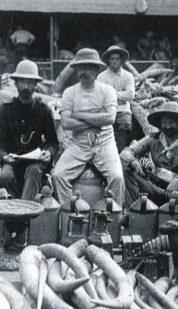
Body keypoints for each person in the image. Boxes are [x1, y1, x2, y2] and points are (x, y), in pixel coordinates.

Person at [52, 48, 125, 207]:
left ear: (97, 68)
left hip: (104, 143)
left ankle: (113, 220)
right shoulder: (69, 93)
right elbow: (66, 124)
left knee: (117, 178)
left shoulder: (107, 90)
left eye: (87, 67)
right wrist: (97, 119)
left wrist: (79, 115)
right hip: (79, 143)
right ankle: (70, 216)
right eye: (79, 67)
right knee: (58, 175)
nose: (82, 71)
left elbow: (110, 118)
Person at [0, 60, 59, 200]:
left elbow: (53, 142)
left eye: (30, 82)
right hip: (12, 159)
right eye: (23, 82)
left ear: (36, 85)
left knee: (33, 170)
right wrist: (4, 156)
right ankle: (13, 209)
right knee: (5, 175)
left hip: (35, 161)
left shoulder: (43, 110)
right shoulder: (5, 110)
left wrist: (49, 153)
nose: (26, 87)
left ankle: (25, 214)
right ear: (16, 83)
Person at [120, 101, 178, 208]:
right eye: (164, 122)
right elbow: (126, 152)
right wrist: (133, 162)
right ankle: (133, 211)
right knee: (126, 170)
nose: (168, 126)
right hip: (155, 186)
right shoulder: (154, 138)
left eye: (171, 122)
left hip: (177, 192)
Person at [97, 45, 135, 153]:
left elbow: (130, 95)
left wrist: (111, 94)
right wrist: (120, 95)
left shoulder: (128, 76)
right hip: (106, 111)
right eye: (112, 59)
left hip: (123, 112)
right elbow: (100, 96)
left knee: (122, 141)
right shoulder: (101, 77)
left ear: (121, 60)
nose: (115, 61)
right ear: (108, 60)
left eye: (117, 59)